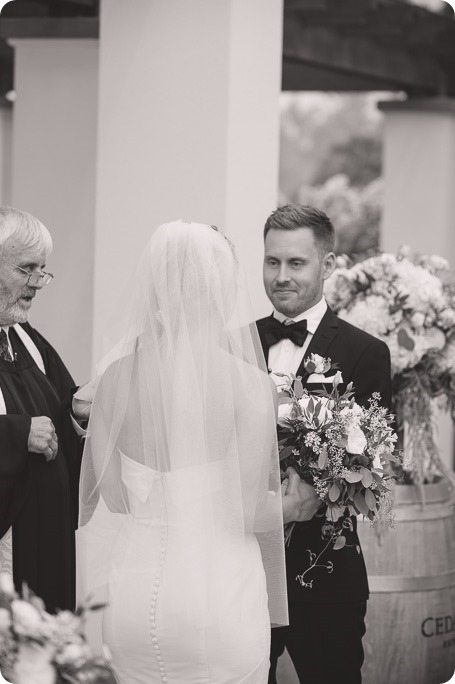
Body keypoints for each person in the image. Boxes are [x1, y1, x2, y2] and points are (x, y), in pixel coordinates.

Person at [76, 220, 291, 684]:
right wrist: (299, 502)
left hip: (130, 598)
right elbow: (246, 512)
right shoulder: (250, 386)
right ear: (221, 291)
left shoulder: (113, 382)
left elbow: (110, 495)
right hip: (217, 602)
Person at [256, 204, 392, 684]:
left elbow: (376, 459)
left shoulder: (366, 353)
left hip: (327, 574)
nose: (281, 276)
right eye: (272, 262)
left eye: (297, 263)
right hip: (244, 573)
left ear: (328, 266)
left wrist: (318, 487)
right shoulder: (235, 346)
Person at [0, 205, 83, 612]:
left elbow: (62, 406)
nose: (37, 284)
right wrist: (16, 434)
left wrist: (82, 413)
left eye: (42, 270)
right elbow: (28, 426)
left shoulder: (25, 337)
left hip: (46, 544)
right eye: (25, 270)